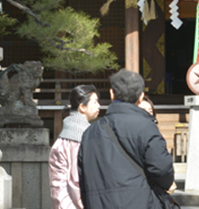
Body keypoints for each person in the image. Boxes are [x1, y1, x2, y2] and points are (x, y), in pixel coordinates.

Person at [78, 69, 176, 209]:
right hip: (141, 202)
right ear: (141, 96)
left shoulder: (90, 133)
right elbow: (162, 169)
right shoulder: (147, 127)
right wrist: (166, 184)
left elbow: (83, 177)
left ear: (112, 94)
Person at [48, 85, 101, 209]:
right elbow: (76, 180)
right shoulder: (78, 138)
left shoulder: (67, 135)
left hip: (62, 202)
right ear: (82, 107)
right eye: (95, 102)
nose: (99, 105)